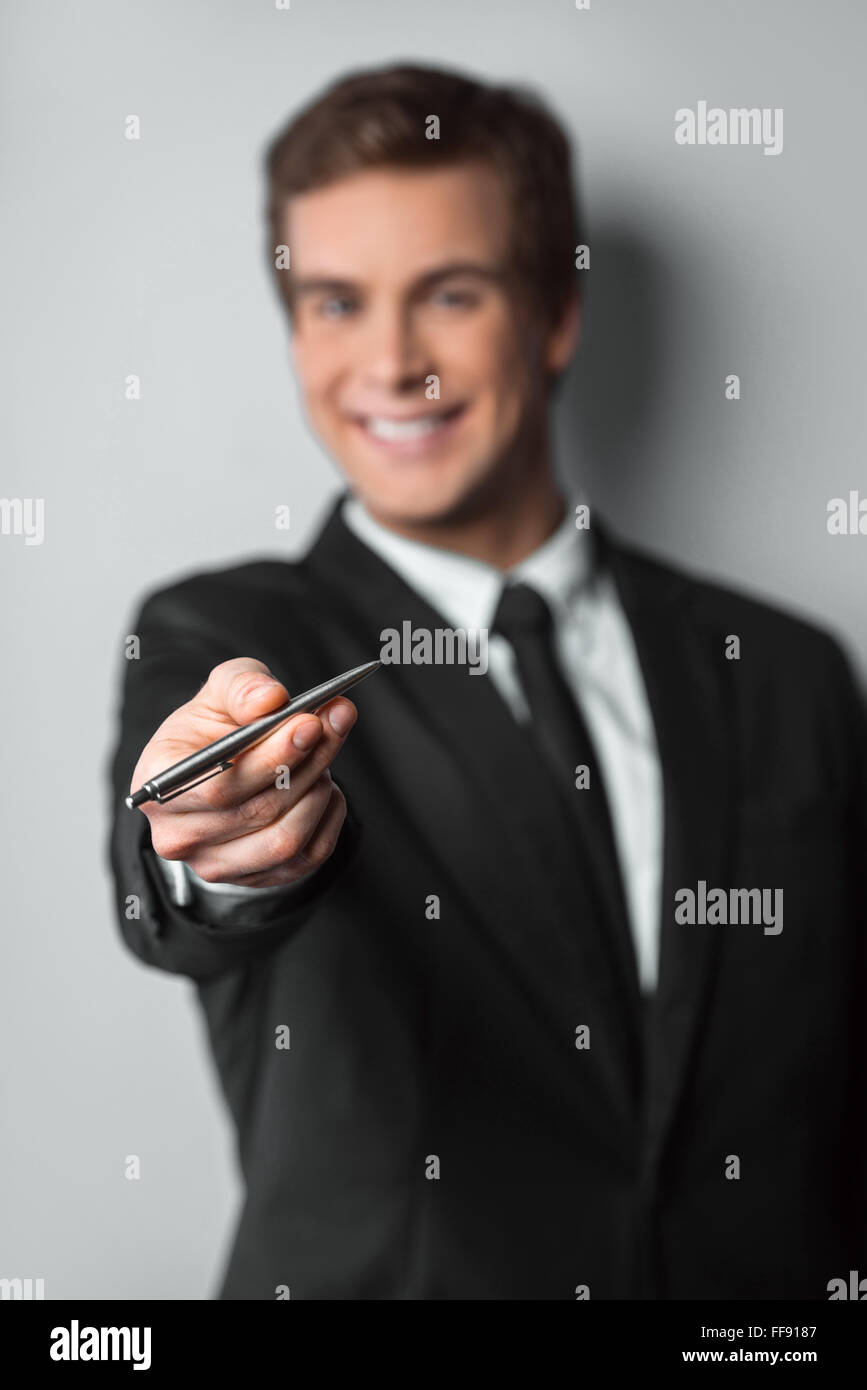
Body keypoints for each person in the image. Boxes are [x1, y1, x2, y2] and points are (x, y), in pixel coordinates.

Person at [108, 63, 867, 1300]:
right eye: (337, 303)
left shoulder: (787, 670)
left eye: (449, 294)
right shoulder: (227, 629)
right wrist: (214, 845)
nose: (391, 360)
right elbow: (179, 888)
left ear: (557, 315)